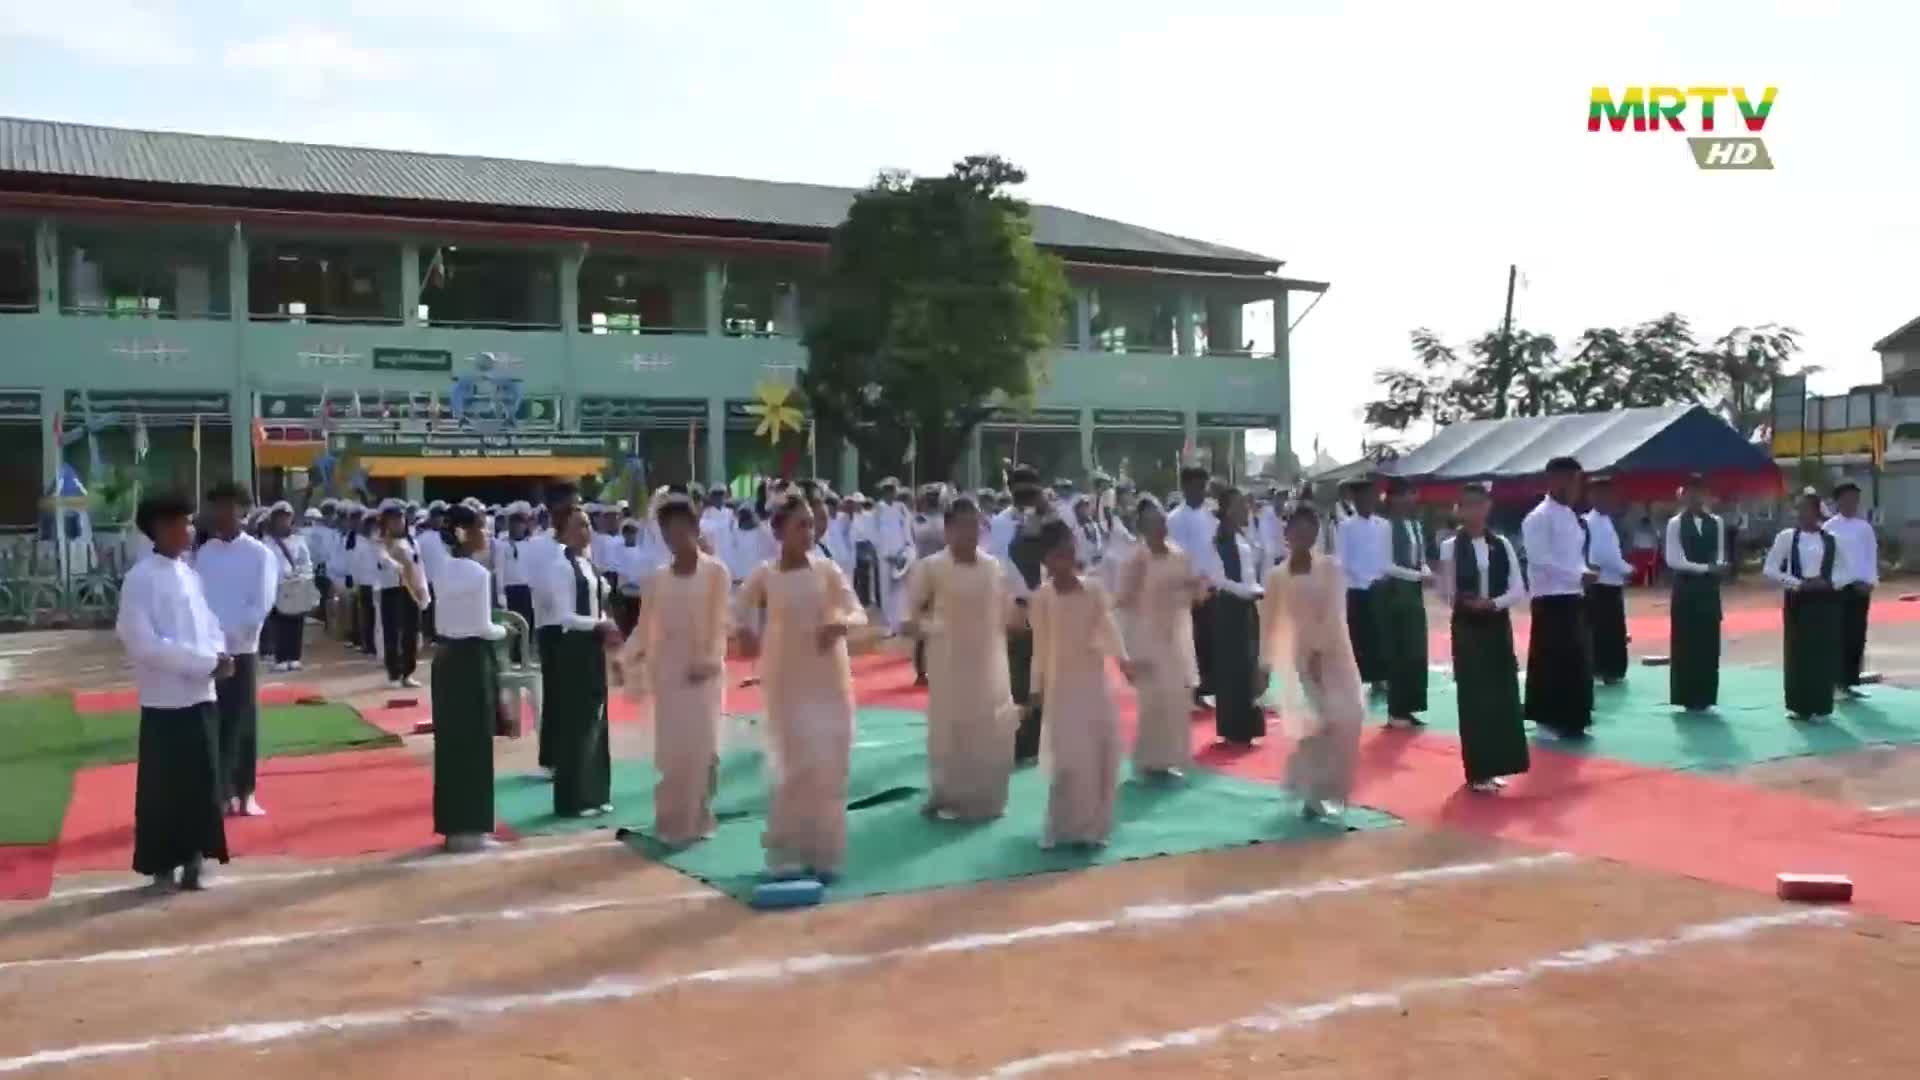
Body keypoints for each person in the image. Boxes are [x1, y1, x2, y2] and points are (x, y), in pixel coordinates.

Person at [734, 495, 866, 879]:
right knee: (793, 767)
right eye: (800, 525)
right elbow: (737, 609)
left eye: (812, 524)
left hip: (830, 680)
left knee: (830, 765)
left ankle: (825, 853)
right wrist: (744, 630)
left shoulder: (827, 572)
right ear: (778, 531)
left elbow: (856, 611)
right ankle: (787, 854)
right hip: (786, 683)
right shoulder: (765, 575)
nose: (809, 532)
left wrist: (840, 622)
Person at [116, 492, 232, 891]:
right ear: (161, 528)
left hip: (201, 694)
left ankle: (195, 858)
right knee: (164, 786)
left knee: (202, 781)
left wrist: (220, 654)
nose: (189, 530)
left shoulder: (190, 573)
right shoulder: (140, 578)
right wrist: (202, 663)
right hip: (165, 698)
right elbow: (142, 643)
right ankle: (162, 862)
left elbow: (208, 623)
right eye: (182, 523)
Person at [901, 495, 1026, 819]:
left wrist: (1020, 617)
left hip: (988, 658)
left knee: (990, 723)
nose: (970, 534)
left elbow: (1006, 609)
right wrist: (936, 628)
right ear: (947, 529)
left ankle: (987, 796)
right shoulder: (931, 568)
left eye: (975, 526)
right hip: (948, 660)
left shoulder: (992, 566)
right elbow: (908, 619)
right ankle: (948, 794)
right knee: (951, 726)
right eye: (963, 526)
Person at [618, 493, 730, 847]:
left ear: (695, 529)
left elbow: (721, 622)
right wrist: (625, 656)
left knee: (705, 748)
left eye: (682, 528)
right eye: (668, 530)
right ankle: (672, 819)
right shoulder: (657, 580)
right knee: (672, 751)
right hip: (668, 674)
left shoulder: (716, 573)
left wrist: (709, 661)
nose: (675, 537)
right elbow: (645, 627)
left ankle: (701, 815)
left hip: (704, 675)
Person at [1030, 519, 1139, 849]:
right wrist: (1036, 688)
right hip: (1061, 688)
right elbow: (1040, 646)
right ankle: (1061, 826)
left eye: (1068, 553)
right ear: (1045, 560)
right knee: (1068, 759)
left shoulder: (1092, 590)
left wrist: (1123, 662)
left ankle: (1093, 829)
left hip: (1093, 683)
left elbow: (1108, 628)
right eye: (1056, 555)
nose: (1064, 561)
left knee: (1099, 754)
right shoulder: (1043, 599)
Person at [1261, 504, 1366, 820]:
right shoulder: (1276, 576)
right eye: (1297, 528)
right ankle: (1312, 794)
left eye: (1311, 528)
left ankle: (1329, 787)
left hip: (1336, 653)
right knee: (1313, 725)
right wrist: (1264, 666)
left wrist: (1321, 652)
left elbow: (1335, 612)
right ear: (1287, 533)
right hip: (1298, 660)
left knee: (1350, 716)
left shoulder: (1331, 568)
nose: (1304, 534)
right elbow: (1269, 623)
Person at [1437, 483, 1530, 792]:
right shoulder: (1450, 546)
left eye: (1479, 504)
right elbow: (1445, 592)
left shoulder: (1501, 543)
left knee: (1502, 696)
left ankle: (1498, 764)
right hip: (1467, 627)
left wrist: (1493, 603)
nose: (1473, 511)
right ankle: (1477, 770)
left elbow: (1518, 588)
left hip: (1496, 623)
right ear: (1459, 509)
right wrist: (1468, 602)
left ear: (1488, 507)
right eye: (1467, 505)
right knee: (1475, 698)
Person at [194, 482, 278, 818]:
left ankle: (246, 792)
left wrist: (236, 638)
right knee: (214, 721)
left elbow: (261, 603)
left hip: (241, 648)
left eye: (230, 508)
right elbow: (197, 601)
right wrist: (209, 640)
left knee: (242, 720)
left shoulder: (259, 554)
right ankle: (220, 791)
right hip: (210, 650)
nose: (223, 515)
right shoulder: (205, 554)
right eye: (218, 509)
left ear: (243, 512)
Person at [431, 504, 508, 852]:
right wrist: (503, 629)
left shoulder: (442, 568)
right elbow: (481, 626)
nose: (487, 535)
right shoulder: (478, 574)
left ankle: (453, 825)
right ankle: (472, 828)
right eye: (481, 528)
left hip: (445, 660)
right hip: (471, 659)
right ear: (465, 532)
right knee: (475, 741)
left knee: (451, 743)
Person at [1117, 496, 1203, 778]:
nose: (1160, 529)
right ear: (1142, 528)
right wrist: (1128, 652)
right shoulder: (1135, 561)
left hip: (1176, 635)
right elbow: (1124, 603)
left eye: (1163, 523)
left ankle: (1170, 759)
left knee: (1176, 699)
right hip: (1147, 638)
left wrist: (1195, 587)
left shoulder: (1179, 555)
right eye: (1153, 525)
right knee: (1153, 701)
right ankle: (1150, 761)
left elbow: (1193, 596)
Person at [1521, 457, 1597, 738]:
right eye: (1570, 480)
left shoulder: (1571, 516)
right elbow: (1540, 561)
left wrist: (1584, 572)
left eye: (1577, 481)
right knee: (1549, 658)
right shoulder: (1538, 518)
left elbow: (1573, 557)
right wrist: (1578, 575)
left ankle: (1573, 718)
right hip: (1550, 597)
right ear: (1553, 480)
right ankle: (1545, 719)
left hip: (1573, 595)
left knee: (1576, 659)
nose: (1575, 487)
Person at [1764, 489, 1845, 723]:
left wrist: (1828, 582)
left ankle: (1821, 705)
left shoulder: (1830, 539)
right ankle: (1800, 705)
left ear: (1818, 511)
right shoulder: (1787, 537)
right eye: (1800, 509)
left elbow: (1843, 571)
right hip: (1798, 600)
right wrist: (1797, 584)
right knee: (1798, 651)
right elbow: (1770, 568)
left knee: (1822, 652)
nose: (1804, 513)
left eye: (1809, 508)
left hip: (1825, 601)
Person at [1205, 488, 1267, 746]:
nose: (1246, 509)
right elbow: (1221, 581)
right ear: (1228, 510)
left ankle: (1245, 727)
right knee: (1234, 669)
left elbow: (1252, 569)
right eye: (1241, 505)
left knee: (1247, 666)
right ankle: (1234, 729)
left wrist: (1255, 590)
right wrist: (1251, 592)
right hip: (1231, 608)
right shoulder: (1221, 539)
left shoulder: (1242, 536)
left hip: (1246, 606)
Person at [527, 484, 581, 774]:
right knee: (556, 694)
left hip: (581, 626)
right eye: (570, 507)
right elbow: (543, 590)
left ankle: (575, 754)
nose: (575, 513)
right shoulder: (539, 546)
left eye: (578, 506)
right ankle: (550, 759)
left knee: (577, 695)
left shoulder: (581, 541)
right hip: (553, 626)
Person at [1002, 467, 1054, 764]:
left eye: (1030, 492)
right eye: (1019, 492)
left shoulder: (1051, 521)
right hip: (1017, 609)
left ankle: (1041, 738)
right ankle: (1021, 741)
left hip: (1048, 608)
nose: (1025, 499)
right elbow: (999, 564)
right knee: (1020, 678)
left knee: (1047, 675)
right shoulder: (1001, 523)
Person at [1663, 474, 1726, 712]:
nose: (1695, 496)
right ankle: (1686, 696)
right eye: (1690, 492)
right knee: (1686, 643)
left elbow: (1720, 553)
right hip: (1686, 589)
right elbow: (1674, 560)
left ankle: (1706, 695)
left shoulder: (1716, 521)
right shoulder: (1675, 523)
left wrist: (1717, 566)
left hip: (1709, 590)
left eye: (1699, 491)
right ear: (1683, 494)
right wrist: (1706, 568)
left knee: (1709, 643)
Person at [1377, 477, 1431, 727]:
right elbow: (1386, 565)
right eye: (1407, 494)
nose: (1413, 499)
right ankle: (1396, 709)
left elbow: (1420, 558)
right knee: (1400, 649)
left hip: (1414, 590)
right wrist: (1418, 574)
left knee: (1416, 649)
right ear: (1394, 499)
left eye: (1413, 494)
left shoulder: (1416, 525)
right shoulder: (1387, 527)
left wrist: (1425, 570)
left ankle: (1410, 706)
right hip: (1395, 590)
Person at [1167, 465, 1217, 708]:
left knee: (1208, 642)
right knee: (1189, 642)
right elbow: (1178, 557)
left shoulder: (1210, 516)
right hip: (1188, 591)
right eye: (1196, 486)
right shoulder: (1175, 519)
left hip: (1212, 587)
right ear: (1185, 487)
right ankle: (1187, 691)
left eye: (1203, 487)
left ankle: (1204, 689)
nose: (1200, 492)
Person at [1334, 478, 1390, 694]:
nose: (1365, 502)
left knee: (1380, 635)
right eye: (1360, 498)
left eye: (1369, 497)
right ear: (1355, 501)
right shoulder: (1346, 526)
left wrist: (1381, 577)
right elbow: (1342, 559)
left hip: (1380, 587)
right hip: (1357, 588)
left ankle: (1379, 679)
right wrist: (1364, 578)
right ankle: (1357, 679)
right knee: (1359, 635)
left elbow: (1386, 556)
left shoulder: (1383, 525)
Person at [1825, 481, 1878, 697]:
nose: (1852, 503)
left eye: (1855, 499)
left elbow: (1870, 556)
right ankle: (1835, 682)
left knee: (1857, 636)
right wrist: (1847, 580)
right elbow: (1830, 561)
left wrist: (1870, 582)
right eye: (1847, 498)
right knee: (1839, 635)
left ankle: (1849, 681)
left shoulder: (1864, 527)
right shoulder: (1829, 527)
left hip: (1861, 589)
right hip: (1839, 588)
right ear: (1838, 501)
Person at [1582, 476, 1634, 685]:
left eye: (1609, 494)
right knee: (1604, 629)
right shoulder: (1590, 521)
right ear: (1592, 497)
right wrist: (1627, 568)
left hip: (1611, 582)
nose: (1608, 499)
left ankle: (1610, 669)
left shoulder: (1606, 521)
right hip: (1600, 583)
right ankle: (1605, 669)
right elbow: (1604, 555)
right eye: (1601, 494)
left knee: (1613, 628)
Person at [374, 502, 428, 689]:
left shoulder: (413, 541)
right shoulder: (381, 541)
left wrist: (423, 590)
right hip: (391, 589)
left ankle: (408, 673)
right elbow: (383, 558)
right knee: (392, 632)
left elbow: (419, 567)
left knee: (411, 632)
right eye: (394, 519)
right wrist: (394, 563)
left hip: (410, 590)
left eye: (401, 518)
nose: (398, 523)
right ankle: (394, 674)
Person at [262, 502, 315, 673]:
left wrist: (301, 575)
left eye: (286, 517)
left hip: (296, 585)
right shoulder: (266, 542)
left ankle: (295, 657)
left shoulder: (299, 540)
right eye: (280, 518)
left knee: (296, 622)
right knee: (279, 623)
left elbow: (306, 562)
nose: (283, 521)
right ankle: (281, 657)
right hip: (277, 587)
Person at [908, 485, 948, 687]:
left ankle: (923, 672)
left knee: (927, 626)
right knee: (928, 627)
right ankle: (924, 671)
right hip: (932, 574)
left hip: (931, 574)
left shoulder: (918, 520)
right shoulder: (938, 522)